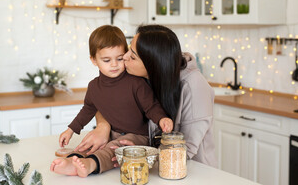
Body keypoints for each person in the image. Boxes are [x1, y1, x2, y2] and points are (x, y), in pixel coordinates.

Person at [75, 24, 217, 167]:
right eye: (129, 49)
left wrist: (143, 151)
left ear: (152, 63)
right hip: (153, 169)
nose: (124, 57)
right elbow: (105, 101)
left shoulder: (195, 87)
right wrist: (103, 126)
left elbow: (185, 151)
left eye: (133, 56)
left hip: (192, 172)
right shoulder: (143, 77)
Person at [50, 25, 173, 177]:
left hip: (137, 136)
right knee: (90, 144)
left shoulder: (136, 82)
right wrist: (70, 130)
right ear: (94, 60)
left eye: (120, 58)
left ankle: (90, 165)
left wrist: (162, 118)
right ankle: (71, 161)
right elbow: (87, 110)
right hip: (113, 132)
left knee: (114, 149)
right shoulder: (94, 87)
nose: (114, 64)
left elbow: (151, 106)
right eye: (107, 60)